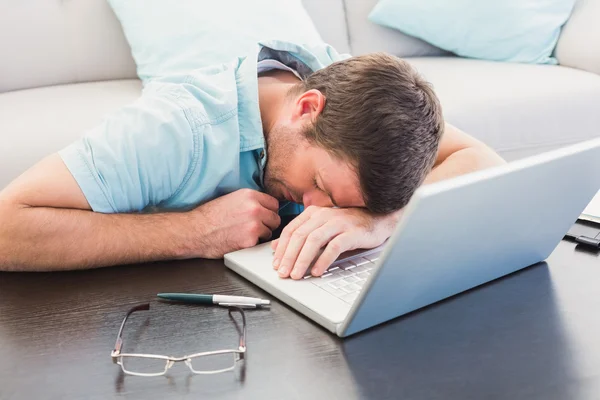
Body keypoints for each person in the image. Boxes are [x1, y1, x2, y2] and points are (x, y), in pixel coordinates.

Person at [0, 40, 504, 276]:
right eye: (321, 188)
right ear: (307, 109)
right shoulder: (177, 129)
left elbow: (481, 159)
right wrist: (187, 233)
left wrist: (379, 218)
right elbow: (7, 227)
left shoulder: (353, 98)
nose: (314, 210)